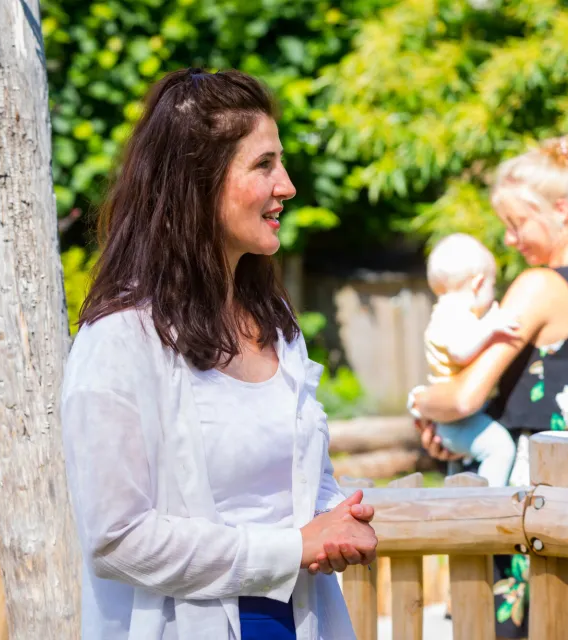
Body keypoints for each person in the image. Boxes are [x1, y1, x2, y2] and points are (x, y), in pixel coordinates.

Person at [61, 68, 377, 640]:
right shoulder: (118, 342)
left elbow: (301, 480)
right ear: (197, 182)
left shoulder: (278, 327)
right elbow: (116, 539)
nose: (287, 185)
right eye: (263, 164)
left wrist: (339, 517)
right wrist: (291, 548)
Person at [410, 134, 568, 637]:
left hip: (516, 503)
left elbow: (464, 396)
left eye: (516, 223)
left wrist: (420, 402)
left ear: (561, 211)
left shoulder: (540, 286)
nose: (509, 239)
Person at [408, 233, 520, 488]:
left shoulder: (449, 311)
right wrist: (492, 327)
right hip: (456, 420)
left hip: (451, 421)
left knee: (459, 473)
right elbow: (460, 351)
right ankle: (489, 502)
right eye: (493, 285)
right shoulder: (454, 314)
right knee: (500, 447)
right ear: (479, 284)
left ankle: (464, 497)